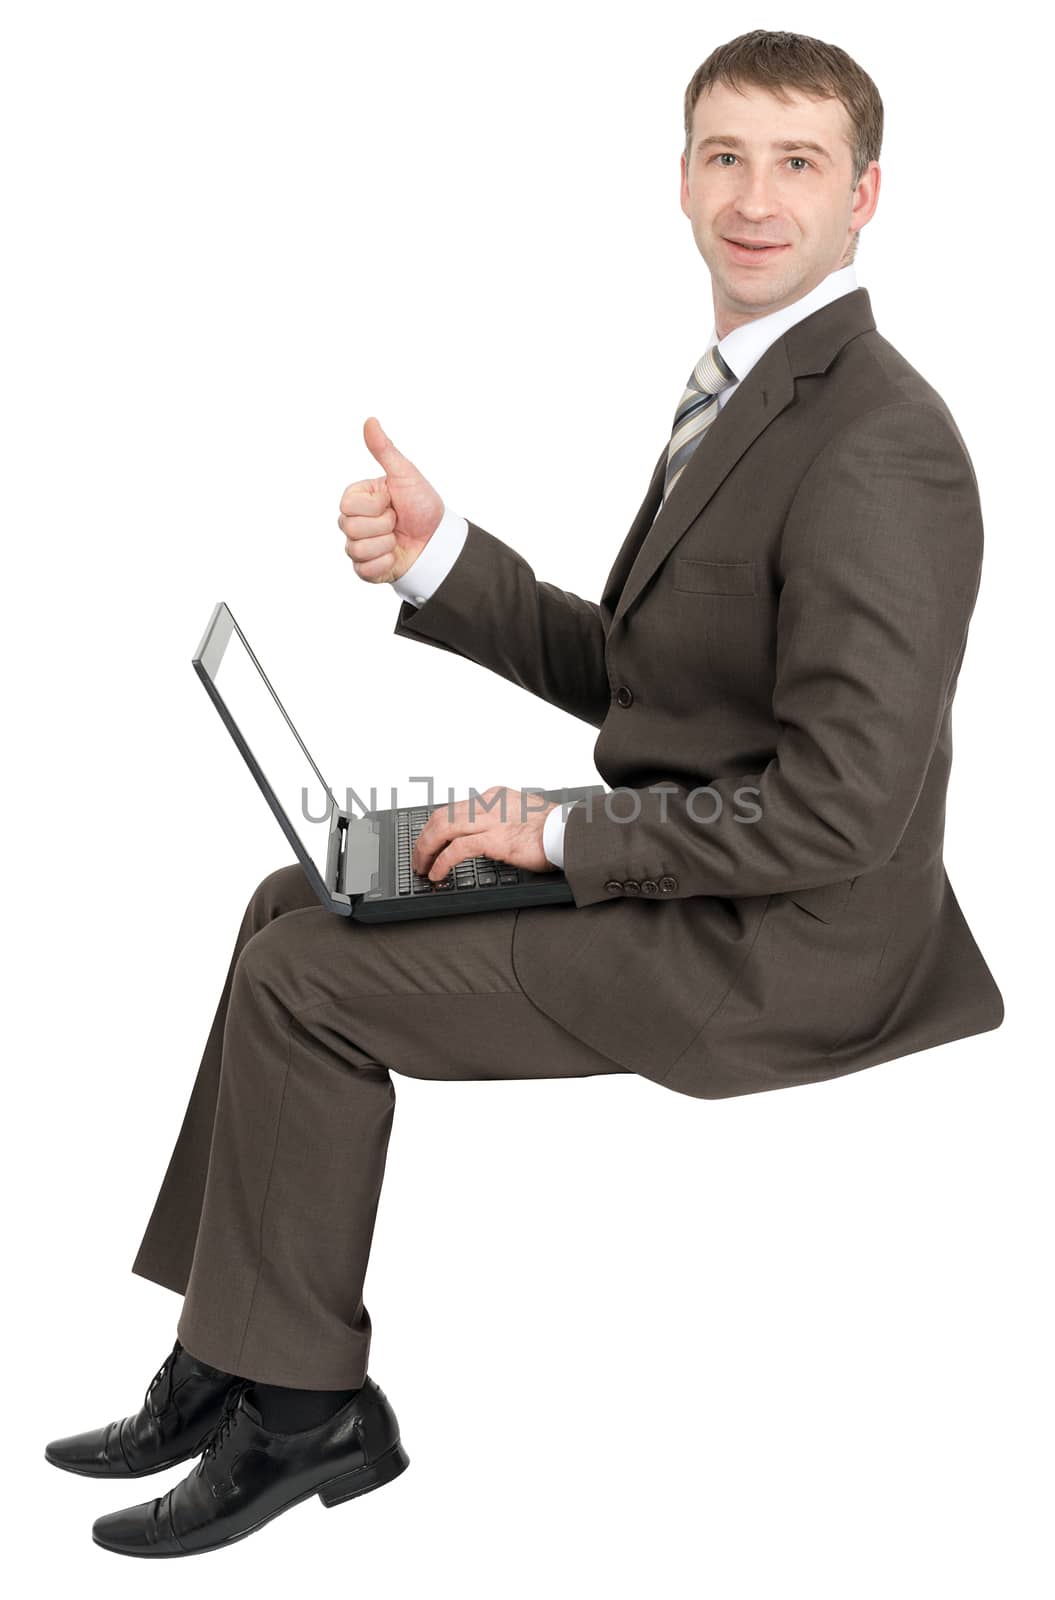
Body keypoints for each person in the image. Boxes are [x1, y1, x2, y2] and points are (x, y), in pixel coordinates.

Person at [45, 28, 1003, 1558]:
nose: (757, 197)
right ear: (683, 180)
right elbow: (656, 681)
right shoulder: (754, 394)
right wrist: (443, 558)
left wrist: (554, 830)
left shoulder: (882, 442)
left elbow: (845, 811)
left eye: (799, 163)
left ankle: (308, 1414)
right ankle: (228, 1354)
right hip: (710, 879)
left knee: (308, 981)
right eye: (726, 156)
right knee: (286, 904)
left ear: (865, 195)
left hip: (775, 946)